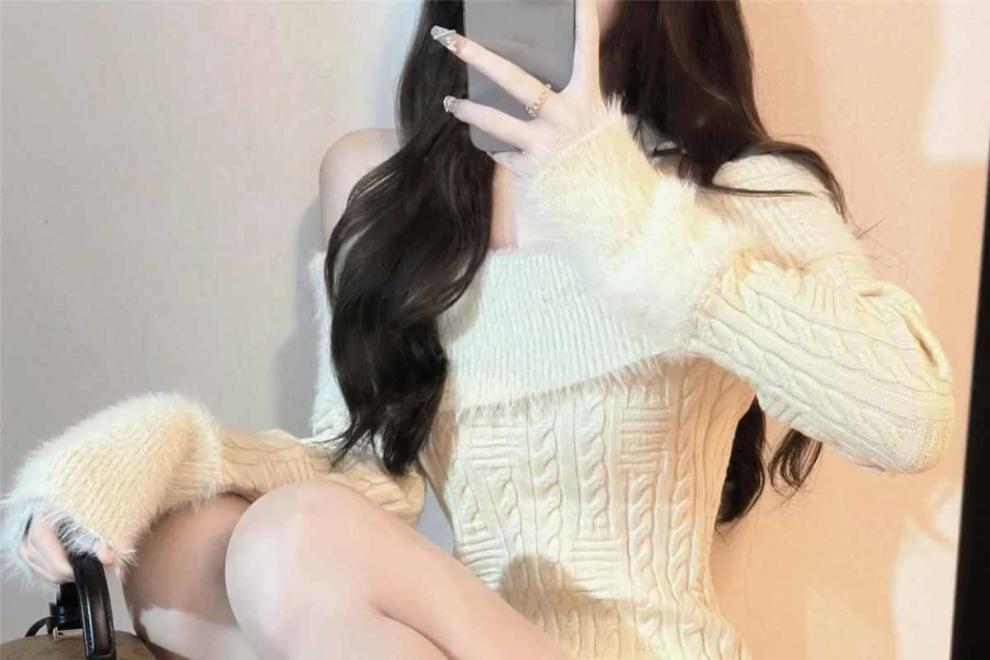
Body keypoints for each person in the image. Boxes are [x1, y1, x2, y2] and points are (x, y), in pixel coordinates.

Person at [1, 1, 956, 658]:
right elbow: (360, 474)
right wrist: (158, 454)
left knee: (289, 543)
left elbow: (905, 418)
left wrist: (620, 209)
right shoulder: (387, 192)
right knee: (177, 560)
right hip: (462, 637)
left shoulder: (739, 191)